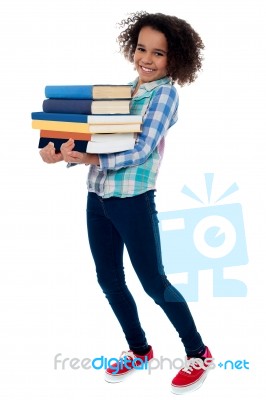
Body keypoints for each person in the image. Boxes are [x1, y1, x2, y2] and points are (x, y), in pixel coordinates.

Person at [40, 11, 213, 395]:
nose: (146, 59)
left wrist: (87, 158)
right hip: (98, 197)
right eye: (141, 48)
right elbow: (92, 140)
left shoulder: (165, 94)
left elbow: (140, 148)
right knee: (109, 279)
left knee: (154, 282)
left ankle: (198, 352)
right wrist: (59, 152)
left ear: (175, 59)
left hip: (133, 200)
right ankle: (139, 349)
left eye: (159, 53)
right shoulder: (123, 91)